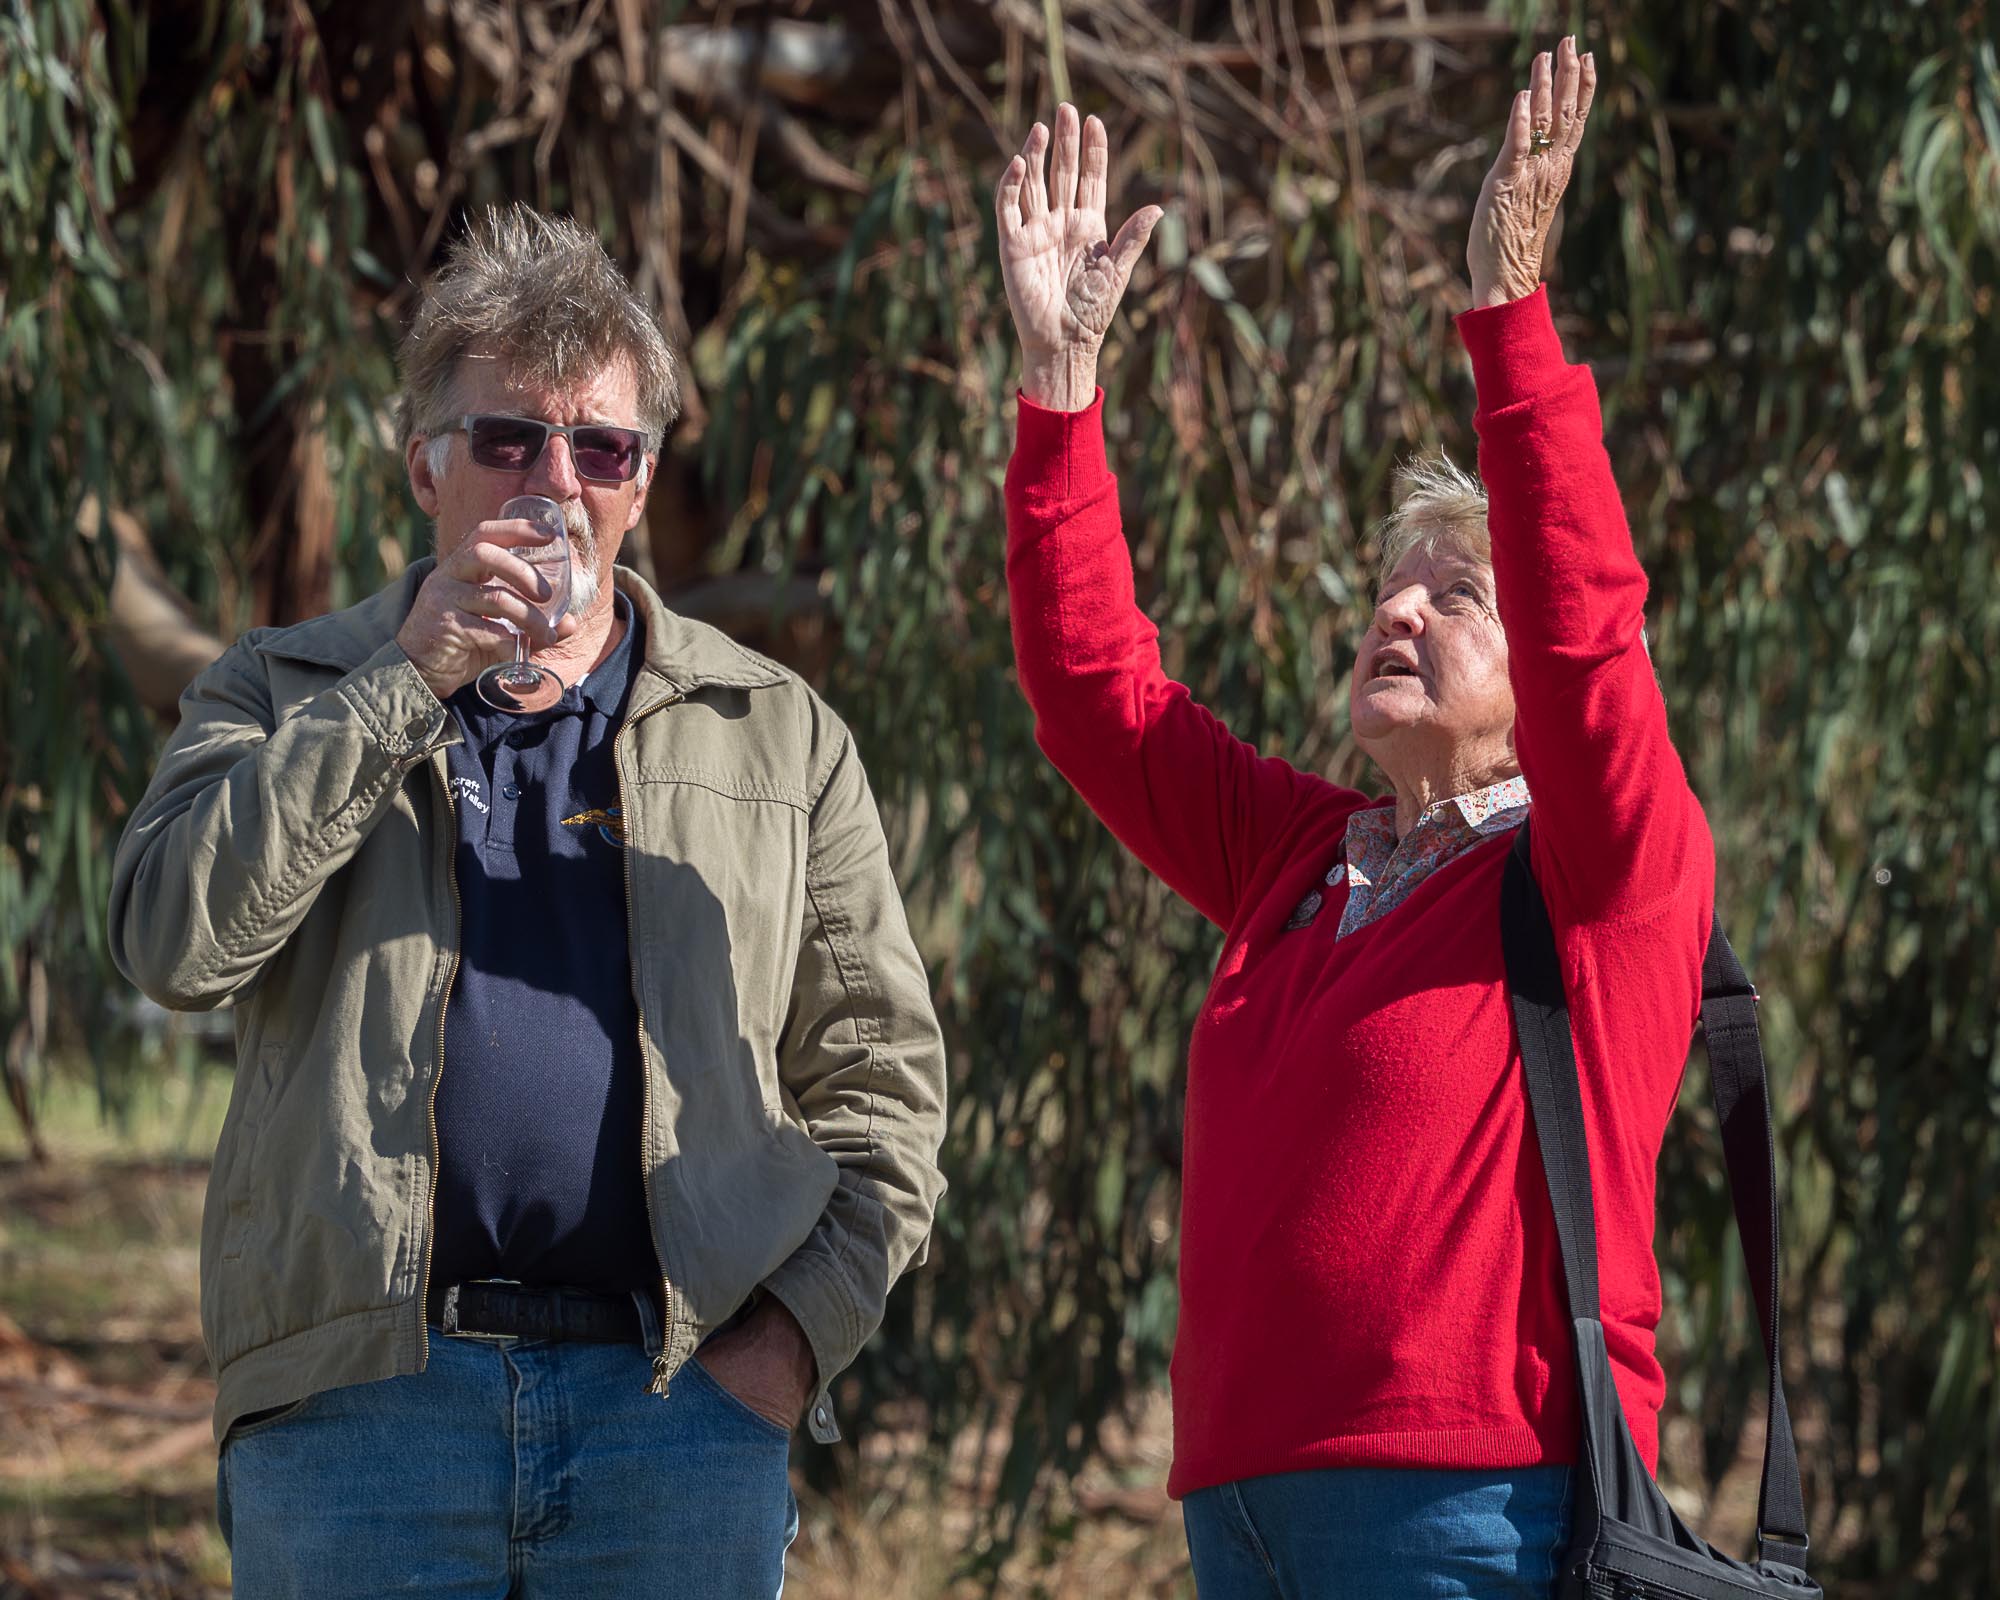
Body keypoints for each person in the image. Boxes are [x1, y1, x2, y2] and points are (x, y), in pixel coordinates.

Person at [109, 204, 947, 1599]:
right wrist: (407, 680)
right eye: (508, 440)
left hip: (674, 1421)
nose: (555, 480)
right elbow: (173, 943)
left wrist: (786, 1351)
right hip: (361, 1419)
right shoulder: (280, 686)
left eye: (599, 448)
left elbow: (886, 1088)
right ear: (424, 465)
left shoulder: (776, 733)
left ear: (640, 479)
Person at [998, 42, 1710, 1598]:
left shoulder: (1601, 870)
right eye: (1391, 587)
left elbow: (1589, 631)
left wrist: (1509, 313)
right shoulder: (1302, 860)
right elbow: (1096, 695)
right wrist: (1060, 395)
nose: (1398, 611)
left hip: (1479, 1512)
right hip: (1244, 1515)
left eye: (1458, 596)